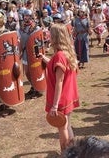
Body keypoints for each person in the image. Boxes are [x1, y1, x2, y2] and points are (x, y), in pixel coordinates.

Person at [39, 24, 79, 152]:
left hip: (61, 98)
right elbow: (58, 68)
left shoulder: (60, 56)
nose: (48, 36)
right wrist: (45, 59)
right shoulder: (66, 53)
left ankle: (65, 153)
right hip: (68, 95)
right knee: (67, 126)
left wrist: (55, 105)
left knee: (63, 128)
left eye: (50, 34)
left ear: (55, 37)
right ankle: (72, 152)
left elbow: (59, 81)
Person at [18, 9, 42, 99]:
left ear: (31, 16)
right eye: (24, 16)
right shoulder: (22, 27)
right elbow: (20, 41)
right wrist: (20, 52)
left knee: (34, 71)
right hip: (25, 52)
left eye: (27, 16)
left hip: (33, 52)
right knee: (27, 72)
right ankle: (33, 86)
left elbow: (38, 41)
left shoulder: (35, 27)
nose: (25, 17)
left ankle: (37, 89)